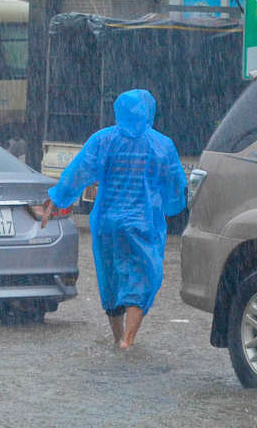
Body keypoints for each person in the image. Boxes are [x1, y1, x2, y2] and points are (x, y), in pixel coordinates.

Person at [39, 89, 186, 349]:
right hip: (142, 224)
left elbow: (78, 172)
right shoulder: (162, 144)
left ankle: (117, 337)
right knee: (141, 279)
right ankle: (128, 341)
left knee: (111, 280)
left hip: (107, 223)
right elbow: (174, 188)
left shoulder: (103, 139)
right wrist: (172, 203)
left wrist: (57, 199)